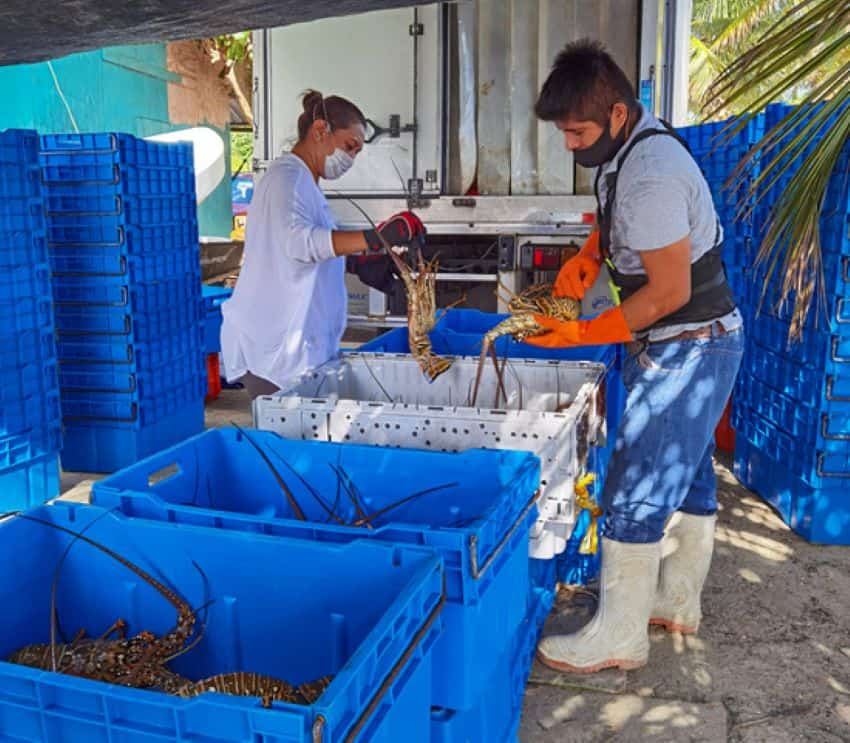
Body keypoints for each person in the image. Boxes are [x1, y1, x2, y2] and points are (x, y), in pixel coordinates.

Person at [527, 40, 745, 673]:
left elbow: (670, 291)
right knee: (691, 476)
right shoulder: (629, 148)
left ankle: (619, 637)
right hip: (701, 339)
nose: (570, 144)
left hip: (687, 346)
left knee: (638, 485)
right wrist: (588, 257)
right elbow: (620, 217)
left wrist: (585, 331)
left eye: (578, 131)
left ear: (617, 113)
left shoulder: (652, 172)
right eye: (564, 132)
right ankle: (674, 600)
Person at [221, 90, 424, 399]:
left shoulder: (306, 184)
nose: (351, 159)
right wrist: (376, 237)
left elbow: (307, 248)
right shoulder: (286, 179)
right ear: (320, 130)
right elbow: (300, 243)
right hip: (274, 350)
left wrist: (358, 260)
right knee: (288, 442)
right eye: (349, 147)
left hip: (292, 346)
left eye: (357, 152)